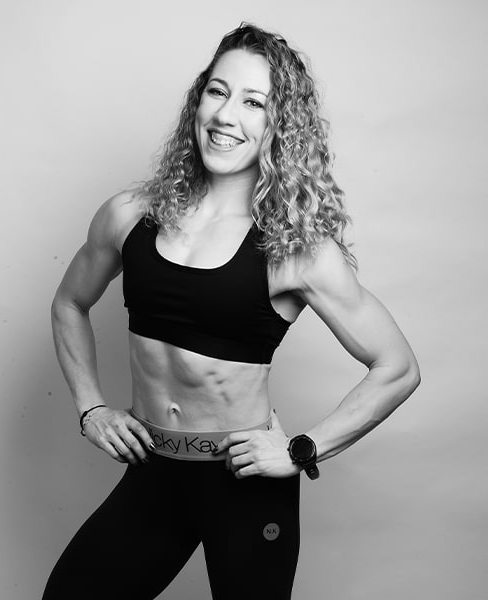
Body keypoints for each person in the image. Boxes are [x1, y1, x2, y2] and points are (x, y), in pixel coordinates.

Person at [42, 22, 420, 600]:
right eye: (217, 92)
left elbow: (397, 367)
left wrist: (302, 449)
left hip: (246, 482)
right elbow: (70, 302)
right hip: (154, 471)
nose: (225, 115)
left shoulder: (295, 250)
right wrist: (91, 407)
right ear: (198, 100)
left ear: (279, 124)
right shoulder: (129, 215)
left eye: (253, 102)